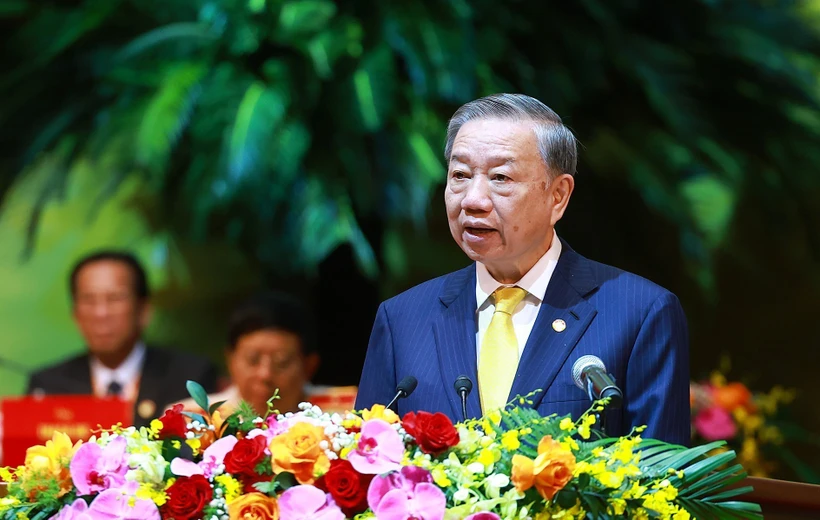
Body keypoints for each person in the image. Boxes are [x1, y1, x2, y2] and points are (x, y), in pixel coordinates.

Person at [355, 94, 690, 445]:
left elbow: (662, 482)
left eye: (500, 178)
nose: (472, 199)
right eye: (460, 175)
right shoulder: (402, 319)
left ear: (558, 195)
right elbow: (368, 466)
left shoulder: (639, 313)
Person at [26, 251, 219, 428]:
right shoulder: (48, 386)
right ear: (75, 314)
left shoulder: (189, 377)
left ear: (144, 310)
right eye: (88, 300)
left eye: (115, 298)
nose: (101, 313)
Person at [177, 292, 357, 417]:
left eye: (282, 362)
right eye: (252, 360)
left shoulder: (351, 412)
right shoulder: (190, 418)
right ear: (230, 360)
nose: (265, 374)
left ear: (309, 365)